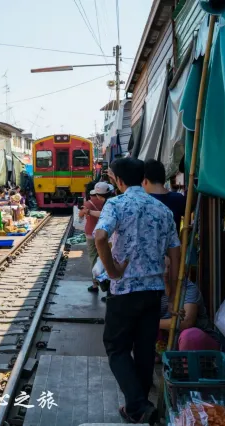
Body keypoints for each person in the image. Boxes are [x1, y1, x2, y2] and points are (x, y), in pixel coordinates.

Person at [94, 157, 181, 425]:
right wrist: (172, 290)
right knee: (144, 352)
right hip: (153, 292)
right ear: (142, 177)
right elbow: (175, 254)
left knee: (116, 347)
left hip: (125, 291)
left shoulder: (116, 204)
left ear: (119, 181)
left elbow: (99, 237)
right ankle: (139, 409)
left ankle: (138, 404)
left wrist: (112, 270)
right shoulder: (161, 209)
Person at [159, 257, 219, 352]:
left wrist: (153, 322)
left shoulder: (188, 289)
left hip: (199, 344)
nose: (166, 271)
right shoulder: (155, 290)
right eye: (162, 267)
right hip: (170, 342)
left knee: (189, 336)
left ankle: (186, 365)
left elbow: (186, 322)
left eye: (170, 267)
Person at [80, 182, 114, 293]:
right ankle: (107, 284)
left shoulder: (88, 203)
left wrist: (85, 211)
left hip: (91, 234)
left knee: (94, 258)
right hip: (106, 234)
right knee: (106, 257)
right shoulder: (109, 202)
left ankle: (97, 283)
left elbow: (80, 215)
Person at [143, 159, 185, 231]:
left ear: (145, 181)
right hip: (173, 241)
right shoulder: (178, 198)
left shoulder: (143, 202)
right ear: (164, 178)